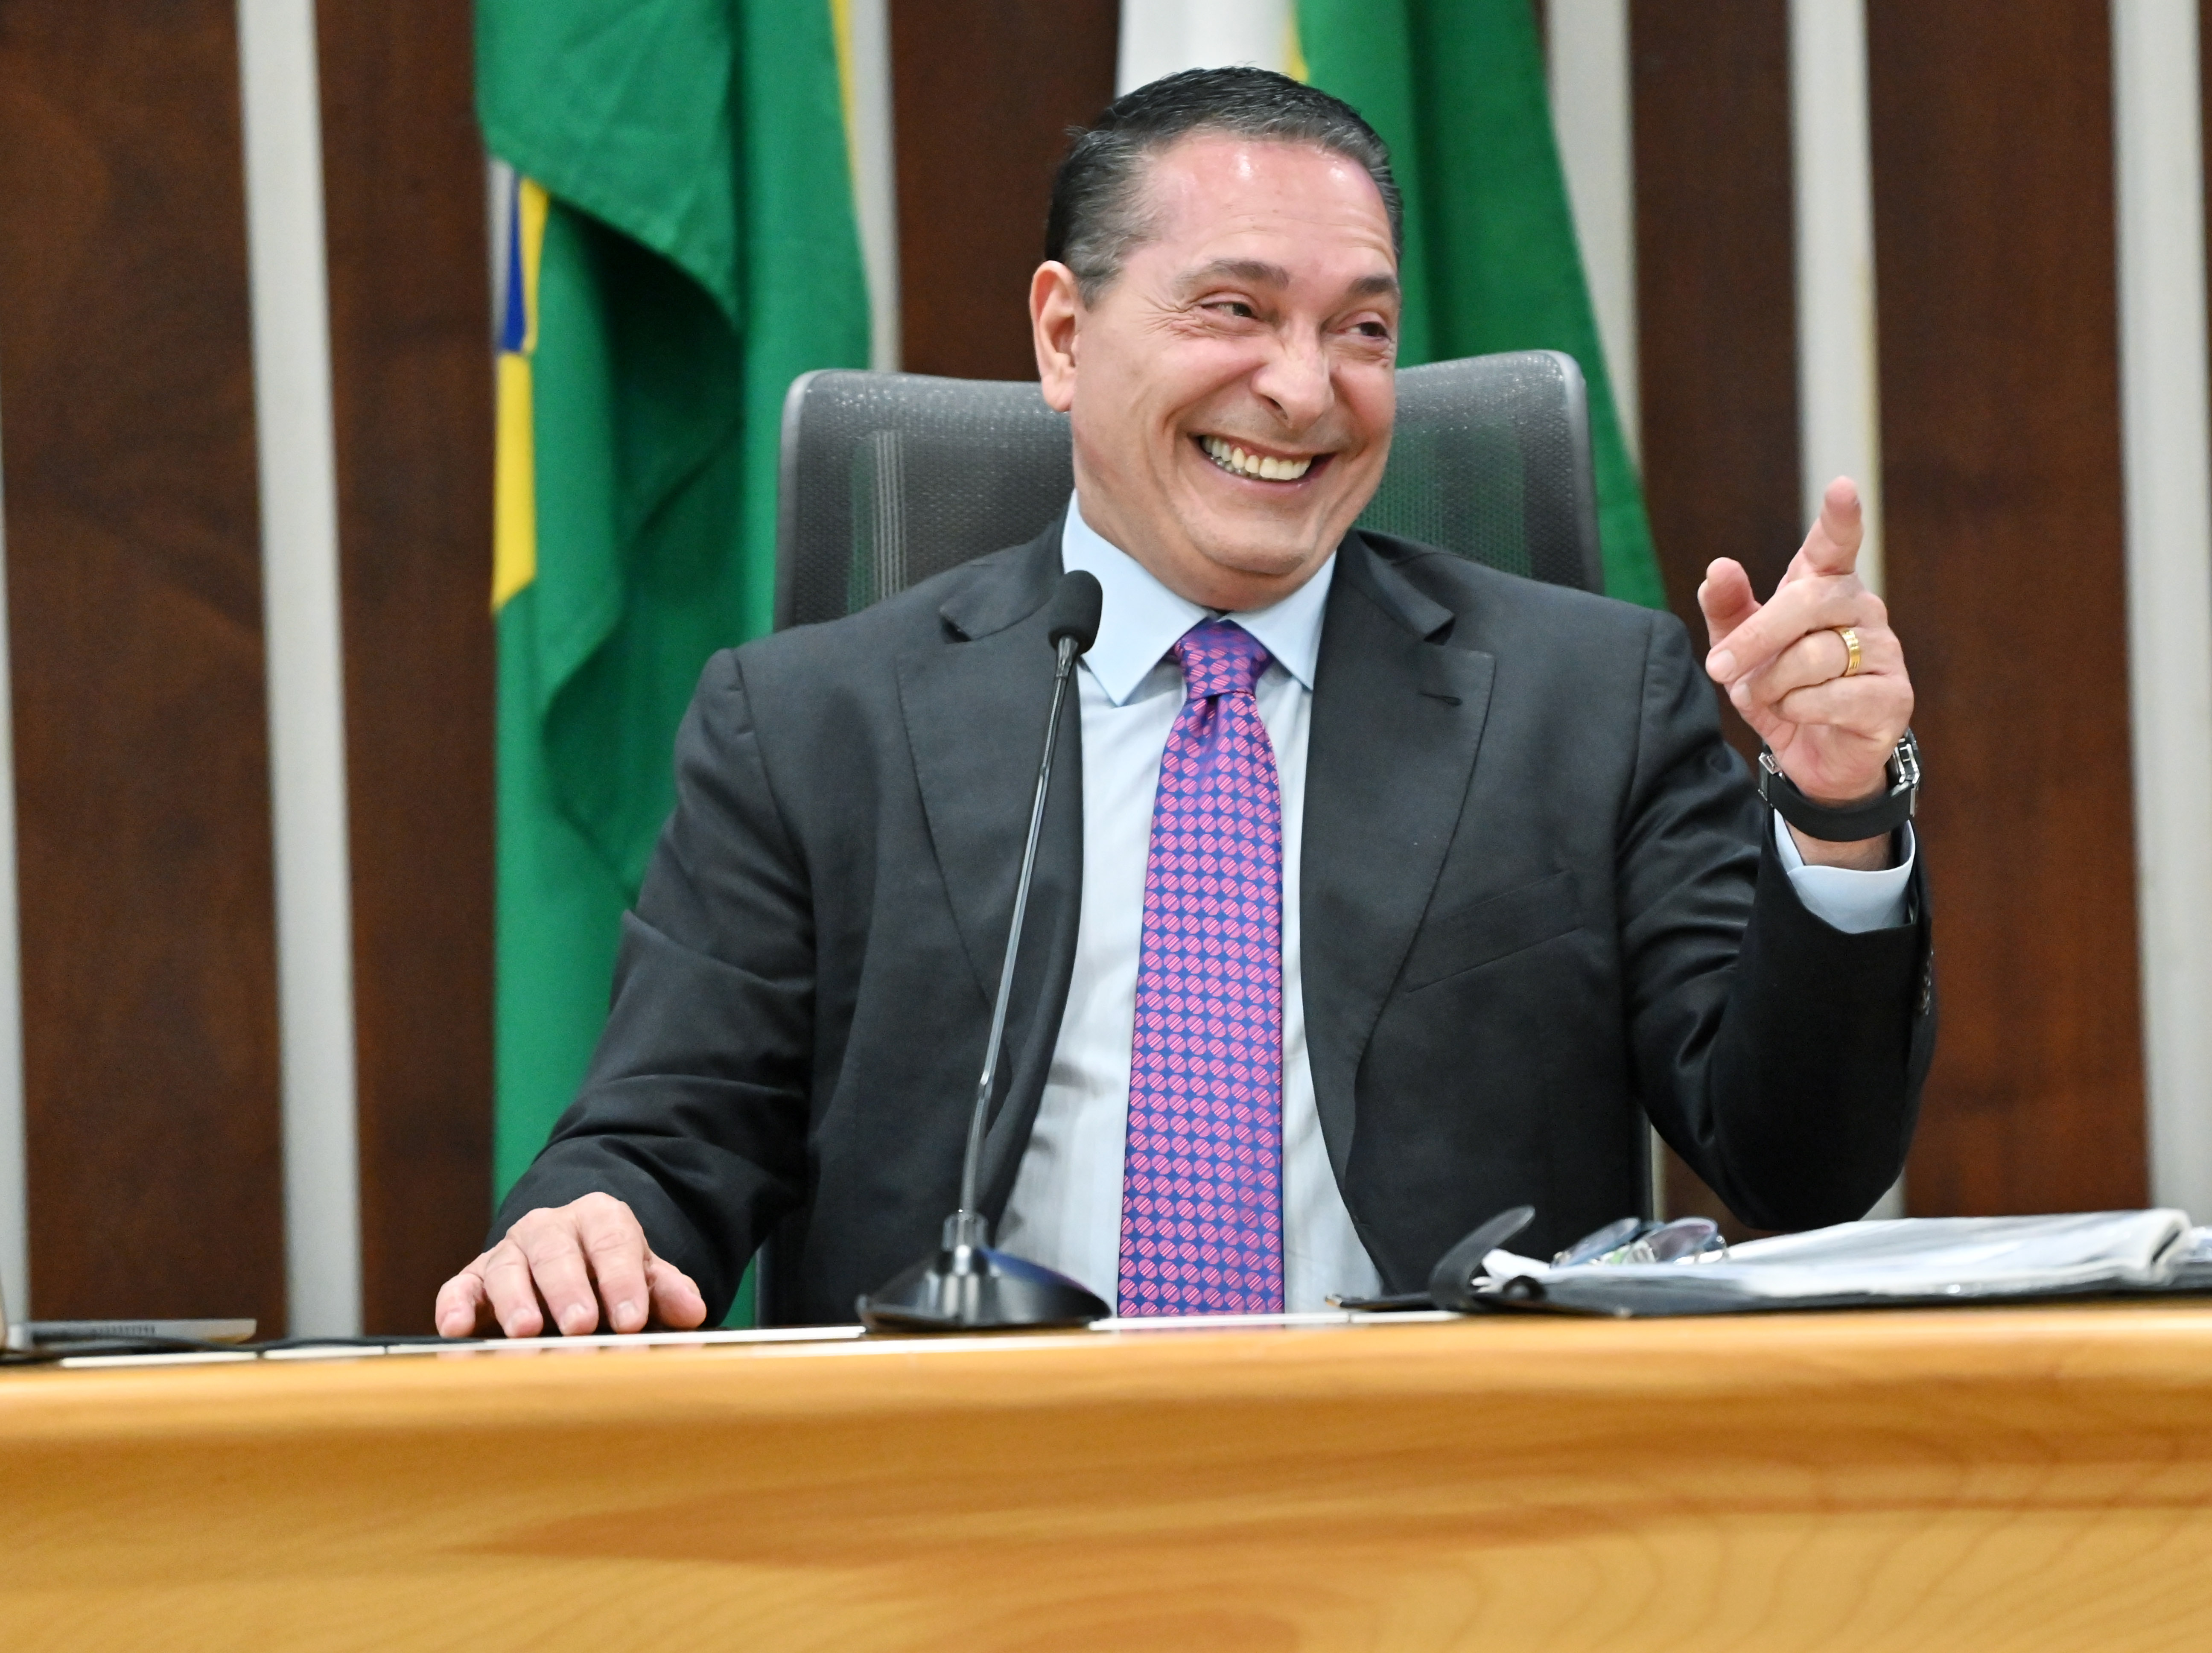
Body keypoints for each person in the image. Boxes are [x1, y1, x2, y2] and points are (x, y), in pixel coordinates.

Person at [436, 67, 1932, 1339]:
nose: (1306, 389)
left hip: (1448, 1496)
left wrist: (1838, 813)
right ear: (1064, 336)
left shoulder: (1586, 700)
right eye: (1236, 310)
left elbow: (1799, 1163)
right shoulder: (814, 726)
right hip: (963, 1502)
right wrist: (588, 1226)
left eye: (1362, 329)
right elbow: (665, 1141)